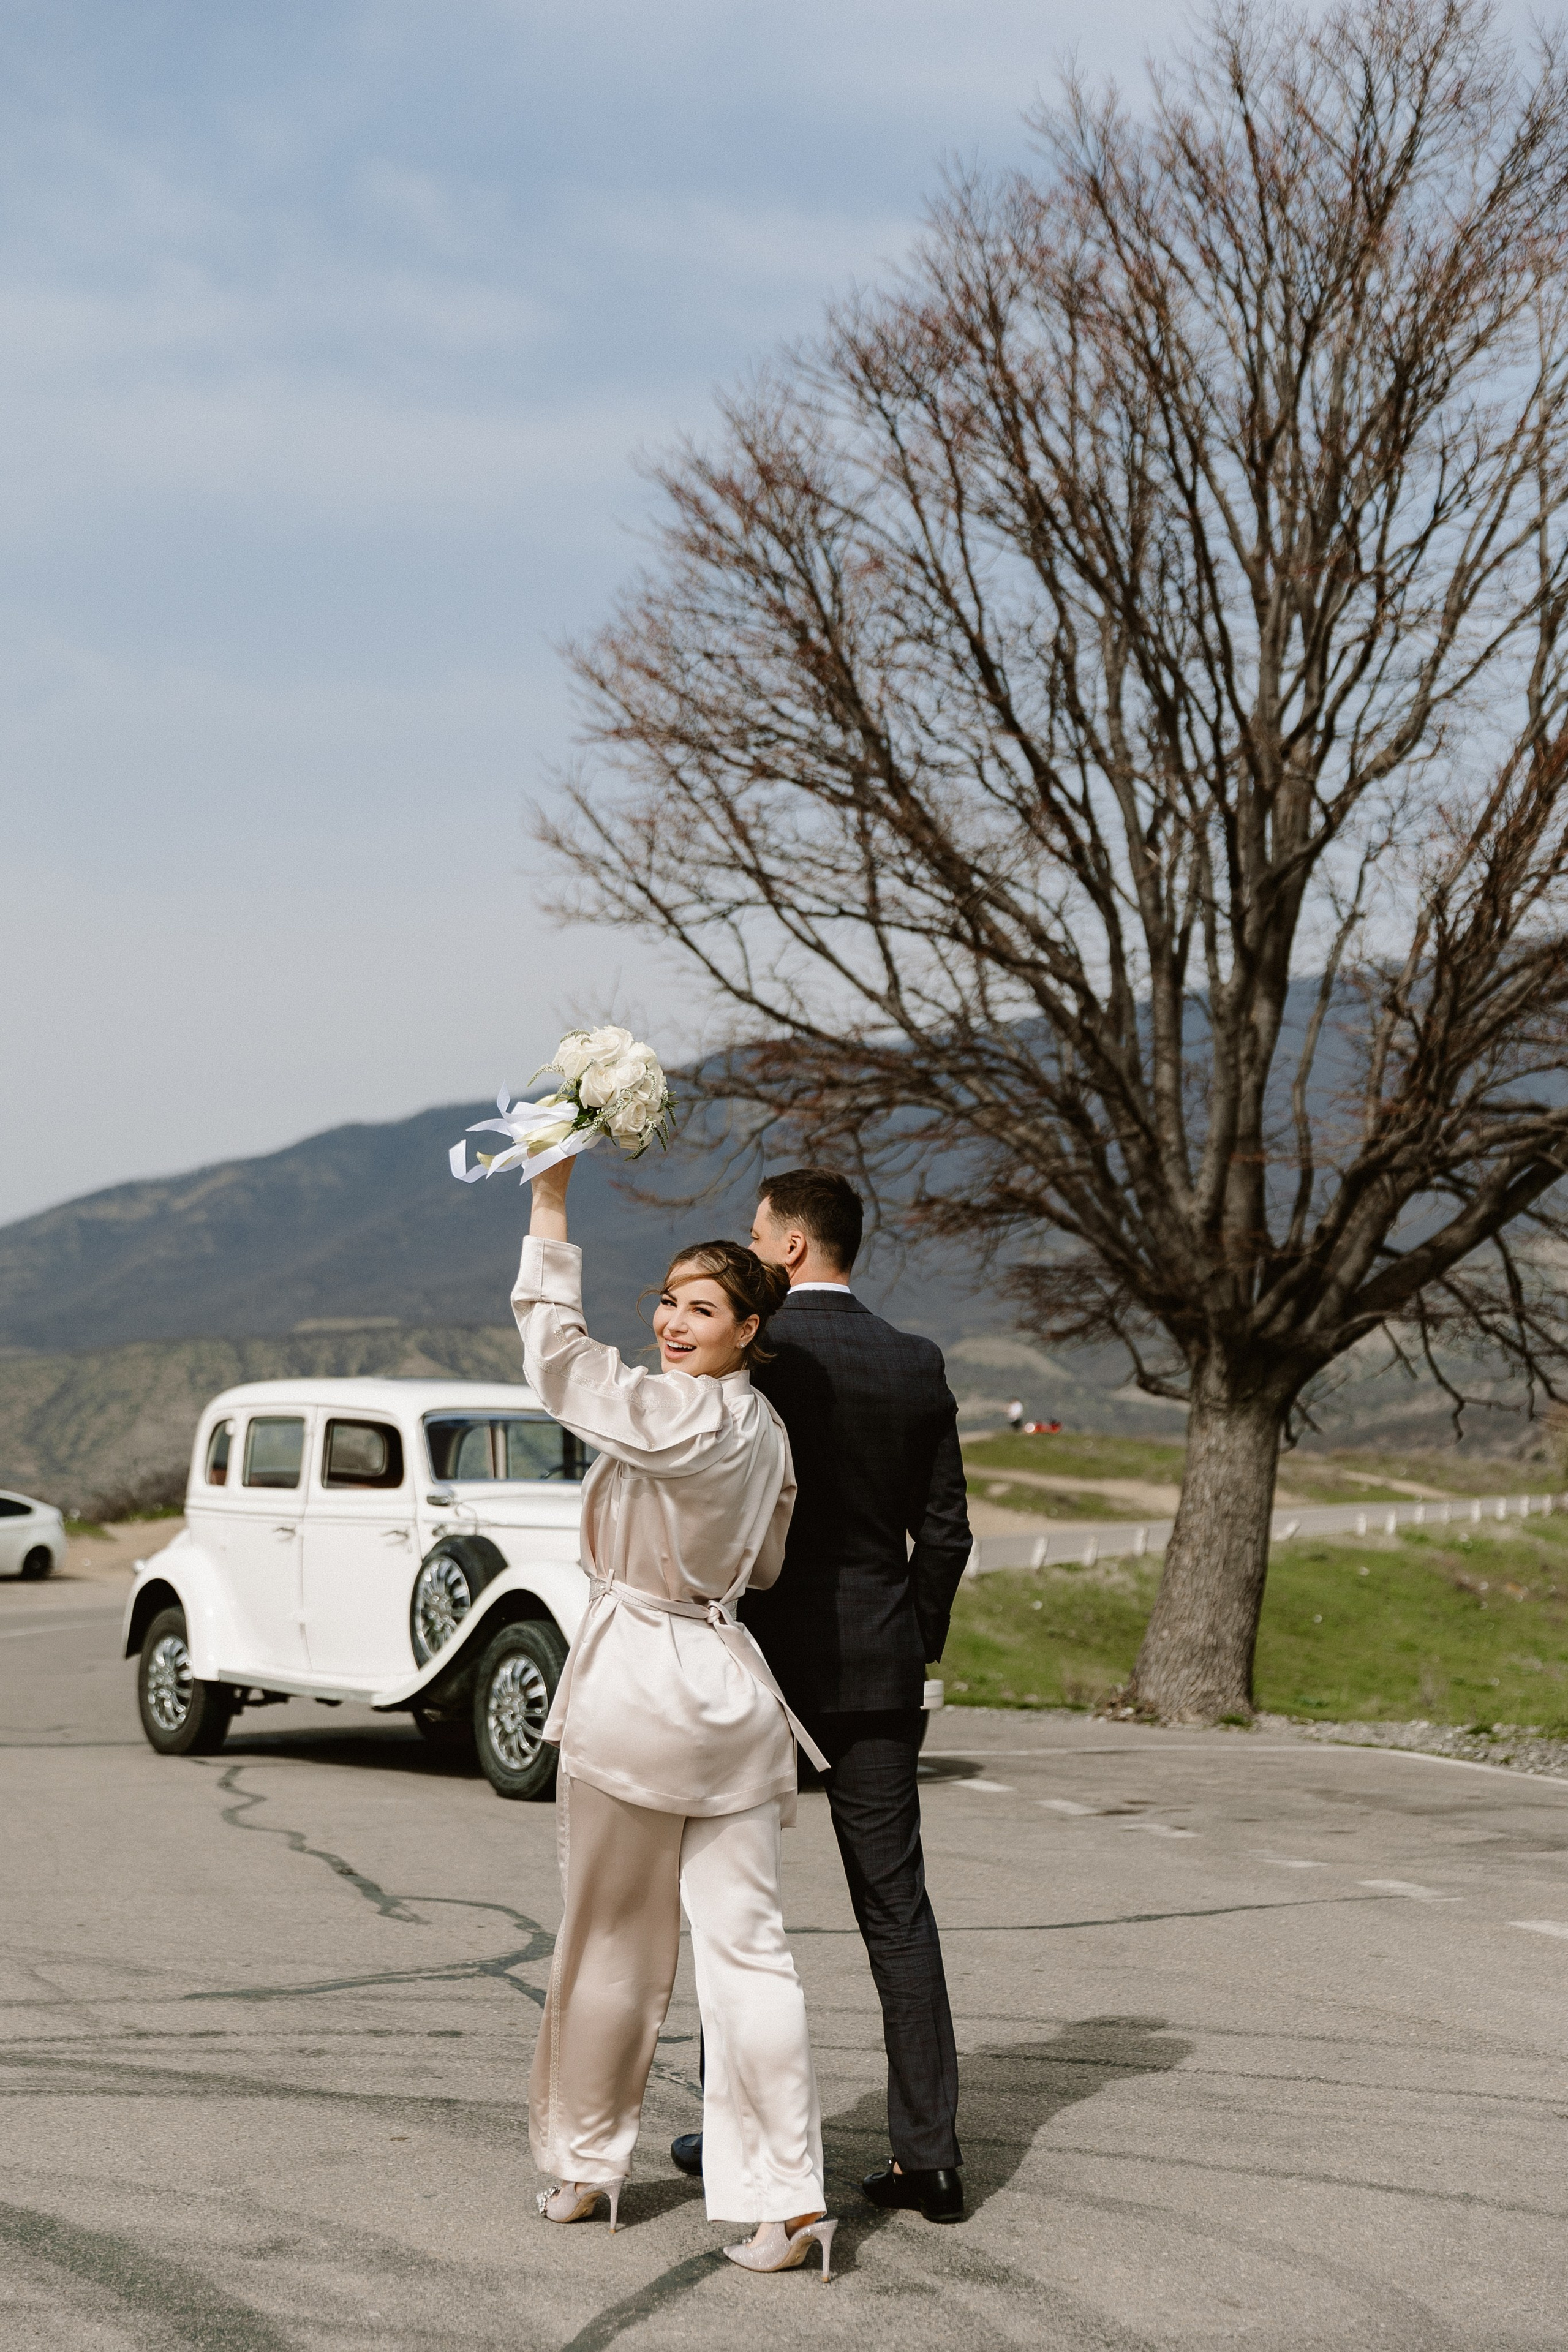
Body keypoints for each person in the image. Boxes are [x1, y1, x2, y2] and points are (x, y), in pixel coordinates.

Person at [516, 1155, 837, 2281]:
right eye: (667, 1300)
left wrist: (550, 1201)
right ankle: (790, 2199)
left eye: (700, 1309)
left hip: (642, 1691)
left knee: (611, 1941)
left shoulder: (679, 1416)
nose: (669, 1322)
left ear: (749, 1330)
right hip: (733, 1693)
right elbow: (770, 1563)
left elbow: (558, 1359)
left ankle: (587, 2166)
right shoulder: (767, 1432)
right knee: (751, 1954)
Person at [671, 1167, 973, 2224]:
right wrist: (908, 1640)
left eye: (758, 1236)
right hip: (879, 1667)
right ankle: (929, 2159)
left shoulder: (758, 1352)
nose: (750, 1251)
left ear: (792, 1248)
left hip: (757, 1665)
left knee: (736, 1908)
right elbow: (946, 1533)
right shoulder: (916, 1360)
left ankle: (732, 2136)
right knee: (898, 1912)